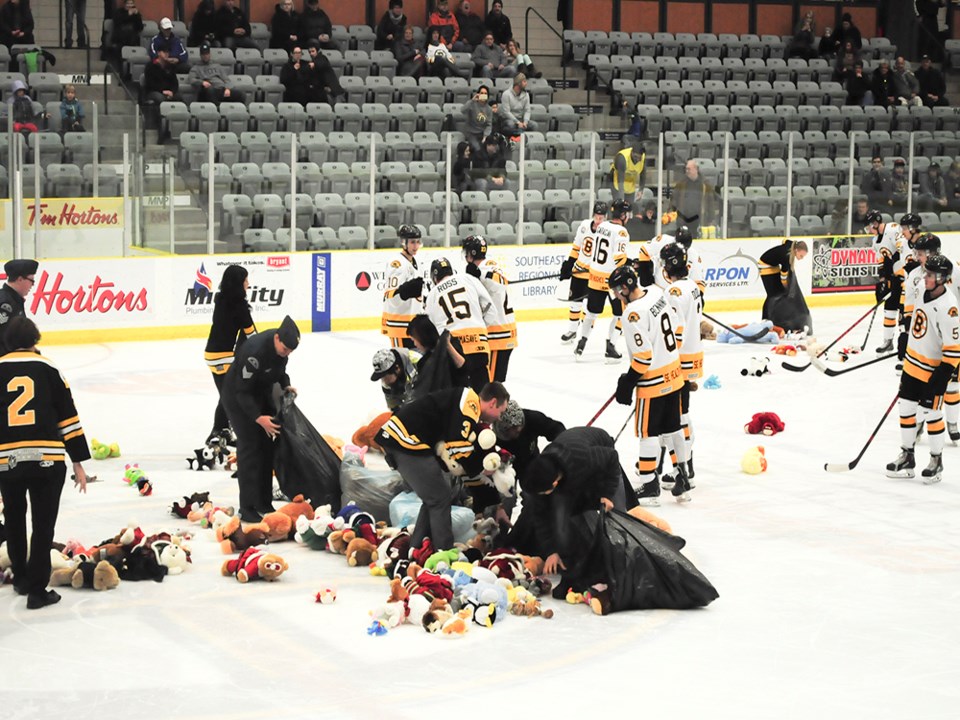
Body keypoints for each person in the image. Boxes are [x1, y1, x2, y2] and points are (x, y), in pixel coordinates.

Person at [0, 317, 91, 610]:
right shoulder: (49, 368)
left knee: (13, 519)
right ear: (35, 340)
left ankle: (22, 579)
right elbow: (68, 417)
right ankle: (38, 592)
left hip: (6, 460)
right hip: (47, 461)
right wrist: (78, 460)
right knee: (43, 526)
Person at [378, 382, 510, 551]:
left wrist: (492, 498)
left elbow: (459, 453)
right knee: (439, 498)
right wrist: (482, 467)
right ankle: (444, 552)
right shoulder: (469, 403)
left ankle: (416, 548)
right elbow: (458, 446)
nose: (499, 417)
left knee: (434, 496)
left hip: (404, 440)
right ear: (492, 402)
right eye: (501, 411)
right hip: (405, 441)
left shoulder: (468, 406)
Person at [608, 264, 691, 505]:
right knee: (673, 428)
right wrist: (668, 354)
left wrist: (629, 381)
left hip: (653, 381)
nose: (614, 295)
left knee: (648, 432)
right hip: (675, 374)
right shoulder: (656, 293)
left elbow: (643, 356)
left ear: (625, 287)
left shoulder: (632, 314)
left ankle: (649, 483)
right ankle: (681, 477)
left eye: (616, 290)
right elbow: (678, 327)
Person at [518, 426, 634, 576]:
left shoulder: (582, 459)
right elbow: (541, 516)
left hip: (603, 455)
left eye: (543, 493)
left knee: (616, 514)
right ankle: (592, 553)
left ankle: (627, 561)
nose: (541, 496)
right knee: (570, 509)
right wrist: (552, 551)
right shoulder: (542, 472)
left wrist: (607, 494)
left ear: (554, 484)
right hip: (571, 459)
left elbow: (611, 457)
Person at [886, 254, 960, 485]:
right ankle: (907, 456)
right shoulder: (921, 286)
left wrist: (945, 373)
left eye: (931, 274)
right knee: (906, 409)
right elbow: (910, 310)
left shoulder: (949, 308)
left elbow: (954, 347)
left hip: (932, 370)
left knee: (932, 414)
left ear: (943, 279)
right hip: (912, 364)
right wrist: (904, 334)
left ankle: (936, 460)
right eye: (926, 273)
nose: (925, 277)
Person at [221, 315, 300, 522]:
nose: (287, 353)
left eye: (290, 352)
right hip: (238, 397)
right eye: (285, 349)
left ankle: (264, 501)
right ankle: (247, 507)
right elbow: (242, 392)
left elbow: (279, 370)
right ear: (276, 338)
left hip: (260, 391)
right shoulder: (254, 353)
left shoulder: (283, 348)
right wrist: (258, 418)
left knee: (266, 446)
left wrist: (286, 384)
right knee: (250, 448)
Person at [659, 243, 704, 485]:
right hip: (694, 355)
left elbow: (676, 330)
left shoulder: (674, 292)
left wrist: (667, 359)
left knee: (678, 415)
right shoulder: (693, 287)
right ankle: (687, 464)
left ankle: (683, 467)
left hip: (679, 359)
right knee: (682, 411)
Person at [425, 257, 498, 392]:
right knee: (482, 394)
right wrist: (479, 327)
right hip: (479, 344)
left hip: (454, 349)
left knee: (459, 398)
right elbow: (491, 310)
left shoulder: (432, 294)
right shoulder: (468, 279)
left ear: (434, 277)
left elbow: (430, 329)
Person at [203, 265, 255, 447]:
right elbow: (252, 334)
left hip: (212, 354)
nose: (248, 284)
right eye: (246, 280)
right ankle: (217, 432)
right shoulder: (239, 306)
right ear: (239, 283)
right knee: (230, 396)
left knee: (227, 394)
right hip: (223, 357)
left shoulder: (221, 299)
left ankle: (223, 429)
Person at [574, 199, 630, 362]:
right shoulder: (621, 232)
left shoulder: (602, 226)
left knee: (591, 313)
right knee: (620, 314)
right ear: (623, 215)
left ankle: (581, 344)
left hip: (595, 276)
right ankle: (611, 347)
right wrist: (631, 267)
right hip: (613, 281)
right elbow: (619, 259)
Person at [462, 235, 517, 382]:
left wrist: (481, 275)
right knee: (490, 382)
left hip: (498, 333)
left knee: (490, 384)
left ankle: (500, 405)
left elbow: (499, 281)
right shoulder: (486, 266)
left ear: (472, 253)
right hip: (498, 332)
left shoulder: (487, 267)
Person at [559, 201, 606, 343]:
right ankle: (572, 331)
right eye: (597, 217)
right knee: (575, 303)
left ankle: (584, 336)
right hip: (579, 271)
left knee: (590, 307)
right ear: (593, 215)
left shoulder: (607, 231)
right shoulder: (585, 226)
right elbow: (576, 246)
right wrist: (569, 264)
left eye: (602, 217)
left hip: (595, 275)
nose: (599, 220)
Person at [867, 209, 907, 353]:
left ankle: (907, 343)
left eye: (870, 226)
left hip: (905, 278)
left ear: (876, 223)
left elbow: (901, 248)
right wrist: (883, 280)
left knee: (904, 312)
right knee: (889, 308)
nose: (869, 229)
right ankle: (888, 341)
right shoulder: (875, 241)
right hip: (894, 278)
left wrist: (896, 268)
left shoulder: (893, 228)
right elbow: (881, 261)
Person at [382, 224, 426, 348]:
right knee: (402, 361)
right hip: (398, 324)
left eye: (418, 242)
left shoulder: (417, 262)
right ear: (403, 242)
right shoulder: (396, 263)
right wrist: (405, 291)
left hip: (413, 325)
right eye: (412, 242)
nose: (416, 246)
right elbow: (390, 295)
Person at [407, 313, 467, 397]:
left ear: (422, 337)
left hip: (459, 396)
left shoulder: (451, 343)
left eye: (414, 340)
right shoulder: (424, 362)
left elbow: (463, 367)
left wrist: (447, 345)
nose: (415, 344)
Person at [758, 238, 809, 321]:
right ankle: (765, 318)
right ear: (796, 250)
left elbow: (785, 241)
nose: (801, 258)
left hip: (774, 265)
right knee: (772, 295)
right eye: (801, 256)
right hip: (765, 266)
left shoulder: (792, 244)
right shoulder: (787, 257)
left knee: (779, 292)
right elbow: (783, 277)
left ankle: (776, 317)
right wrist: (786, 286)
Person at [672, 160, 716, 240]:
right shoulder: (681, 183)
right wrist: (672, 212)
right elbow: (674, 199)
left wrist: (711, 219)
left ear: (696, 169)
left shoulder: (705, 184)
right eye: (686, 169)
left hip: (699, 221)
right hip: (683, 220)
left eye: (689, 169)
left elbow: (710, 202)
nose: (687, 171)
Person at [0, 259, 37, 354]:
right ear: (20, 279)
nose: (33, 285)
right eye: (31, 280)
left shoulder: (14, 299)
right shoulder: (5, 303)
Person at [370, 347, 420, 411]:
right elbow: (394, 407)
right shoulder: (387, 383)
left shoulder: (418, 361)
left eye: (385, 377)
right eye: (381, 377)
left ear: (397, 369)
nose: (384, 381)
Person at [461, 84, 493, 153]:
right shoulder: (472, 104)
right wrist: (472, 100)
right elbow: (463, 110)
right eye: (481, 93)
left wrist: (485, 136)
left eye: (485, 93)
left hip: (482, 133)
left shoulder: (489, 109)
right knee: (477, 148)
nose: (483, 95)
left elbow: (489, 124)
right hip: (471, 133)